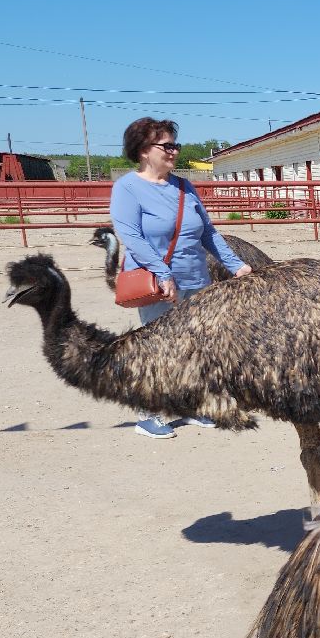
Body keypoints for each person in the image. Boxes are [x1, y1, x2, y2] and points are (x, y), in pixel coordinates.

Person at [110, 117, 253, 439]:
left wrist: (236, 265)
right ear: (144, 150)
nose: (174, 151)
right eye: (167, 145)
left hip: (195, 279)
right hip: (156, 282)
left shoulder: (184, 187)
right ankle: (148, 414)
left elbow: (209, 234)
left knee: (196, 346)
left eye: (176, 144)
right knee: (159, 347)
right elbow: (131, 236)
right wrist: (163, 272)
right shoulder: (128, 188)